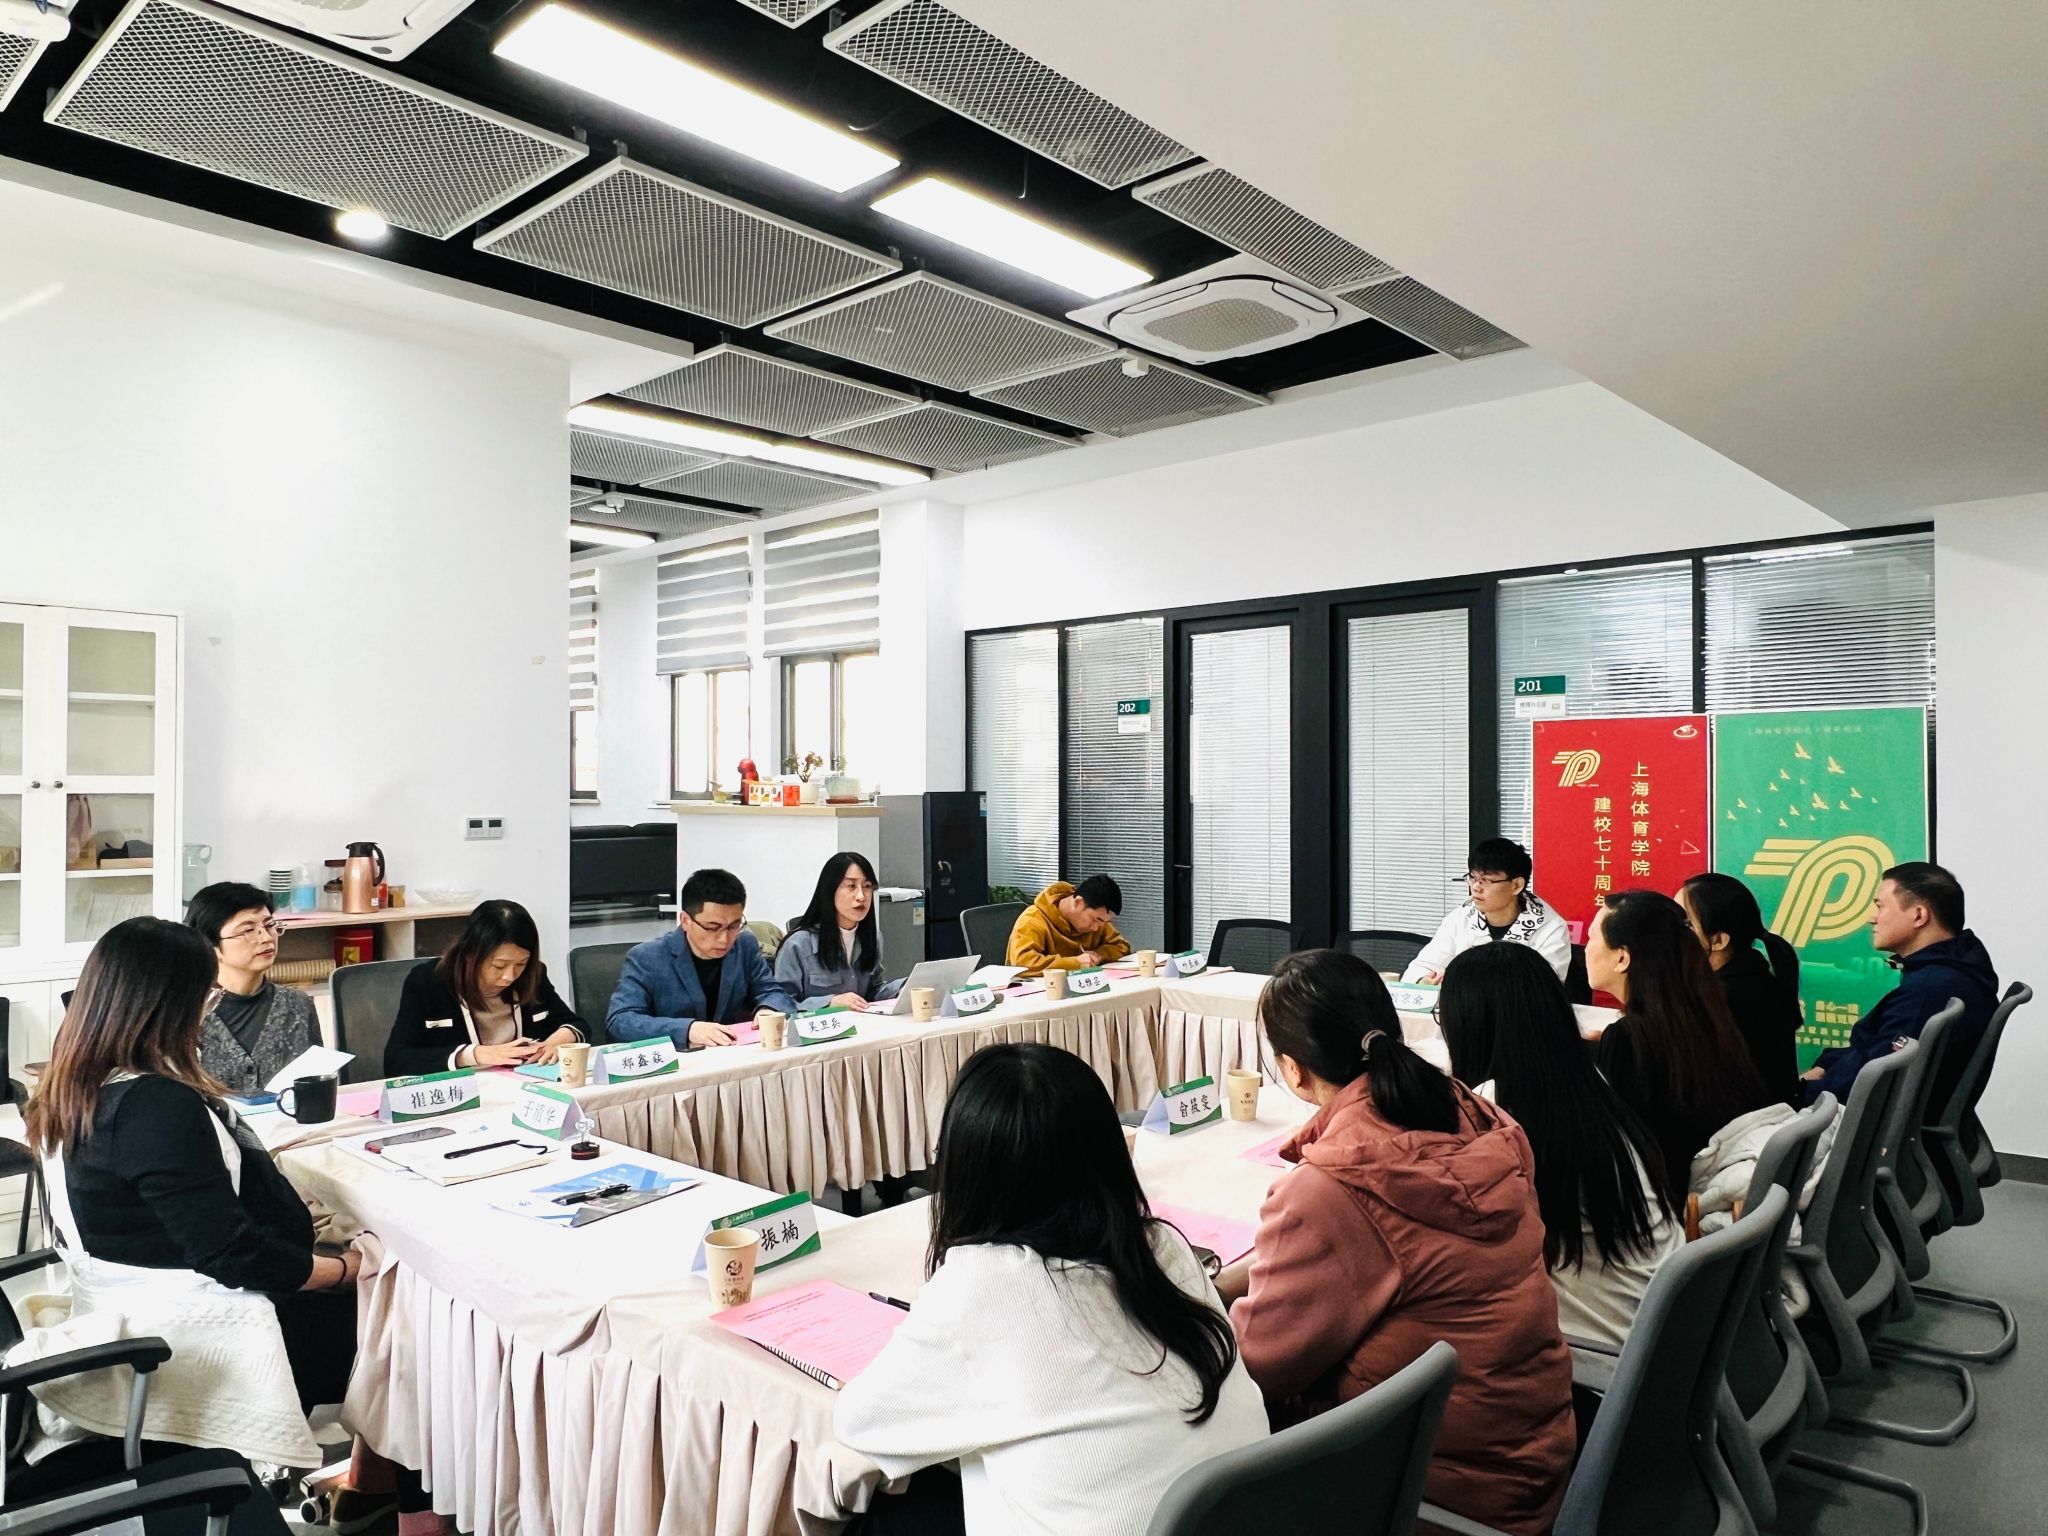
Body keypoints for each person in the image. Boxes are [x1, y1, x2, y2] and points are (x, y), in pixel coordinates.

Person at [21, 917, 440, 1531]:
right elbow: (233, 1255)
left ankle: (371, 1485)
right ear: (171, 1004)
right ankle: (419, 1515)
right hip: (201, 1330)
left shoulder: (74, 1087)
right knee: (412, 1322)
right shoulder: (153, 1105)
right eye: (205, 996)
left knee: (385, 1307)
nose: (207, 1011)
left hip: (136, 1302)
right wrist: (345, 1269)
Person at [834, 1042, 1267, 1535]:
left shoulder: (980, 1284)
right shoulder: (1162, 1246)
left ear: (965, 1172)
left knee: (879, 1510)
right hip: (1246, 1519)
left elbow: (859, 1424)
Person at [1214, 950, 1572, 1535]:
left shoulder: (1334, 1189)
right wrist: (1238, 1276)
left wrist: (1197, 1297)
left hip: (1433, 1500)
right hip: (1534, 1461)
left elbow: (1257, 1369)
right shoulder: (1480, 1118)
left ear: (1293, 1070)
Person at [1437, 944, 1681, 1348]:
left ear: (1470, 1026)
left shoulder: (1496, 1113)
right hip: (1663, 1325)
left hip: (1603, 1351)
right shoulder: (1588, 1082)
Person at [1585, 890, 1775, 1208]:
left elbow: (1626, 1157)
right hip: (1707, 1193)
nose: (1586, 948)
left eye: (1592, 938)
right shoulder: (1703, 1017)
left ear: (1622, 958)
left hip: (1669, 1209)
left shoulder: (1630, 1038)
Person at [1803, 862, 1999, 1112]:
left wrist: (1799, 1092)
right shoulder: (1951, 973)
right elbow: (1873, 1052)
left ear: (1919, 915)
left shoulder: (1928, 991)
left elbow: (1873, 1084)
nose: (1872, 918)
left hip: (1851, 1119)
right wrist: (1826, 1066)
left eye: (1880, 906)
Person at [384, 899, 585, 1076]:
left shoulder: (533, 976)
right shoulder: (428, 982)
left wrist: (560, 1039)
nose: (510, 976)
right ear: (470, 954)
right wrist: (474, 1054)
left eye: (521, 964)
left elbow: (576, 1024)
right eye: (499, 966)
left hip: (524, 1088)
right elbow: (396, 1061)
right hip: (462, 1093)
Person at [608, 867, 797, 1048]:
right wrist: (688, 1030)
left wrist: (769, 1009)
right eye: (712, 927)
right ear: (685, 921)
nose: (724, 939)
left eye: (734, 925)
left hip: (732, 1055)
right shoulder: (648, 957)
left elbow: (773, 993)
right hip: (678, 1059)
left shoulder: (744, 945)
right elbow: (620, 1021)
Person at [183, 880, 319, 1096]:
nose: (266, 938)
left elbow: (318, 1085)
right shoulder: (186, 1013)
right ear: (210, 944)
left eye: (269, 925)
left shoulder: (297, 1005)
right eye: (248, 930)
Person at [1680, 872, 1804, 1106]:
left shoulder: (1725, 999)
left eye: (1686, 924)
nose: (1673, 932)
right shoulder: (1752, 978)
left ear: (1718, 940)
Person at [1402, 838, 1570, 983]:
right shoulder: (1461, 917)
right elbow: (1421, 967)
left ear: (1517, 885)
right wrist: (1424, 981)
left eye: (1486, 880)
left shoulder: (1550, 928)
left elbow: (1543, 990)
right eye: (1473, 878)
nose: (1476, 887)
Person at [776, 852, 905, 1013]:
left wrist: (904, 987)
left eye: (867, 886)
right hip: (819, 1027)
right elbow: (781, 1005)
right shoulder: (798, 944)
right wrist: (829, 1003)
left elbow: (872, 992)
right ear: (830, 890)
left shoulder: (872, 937)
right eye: (851, 886)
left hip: (862, 1025)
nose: (861, 896)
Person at [1006, 875, 1133, 976]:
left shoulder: (1099, 922)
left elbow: (1121, 946)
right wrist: (1074, 963)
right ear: (1078, 902)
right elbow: (1022, 962)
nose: (1096, 928)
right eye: (1095, 920)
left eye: (1104, 922)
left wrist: (1099, 955)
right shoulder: (1033, 920)